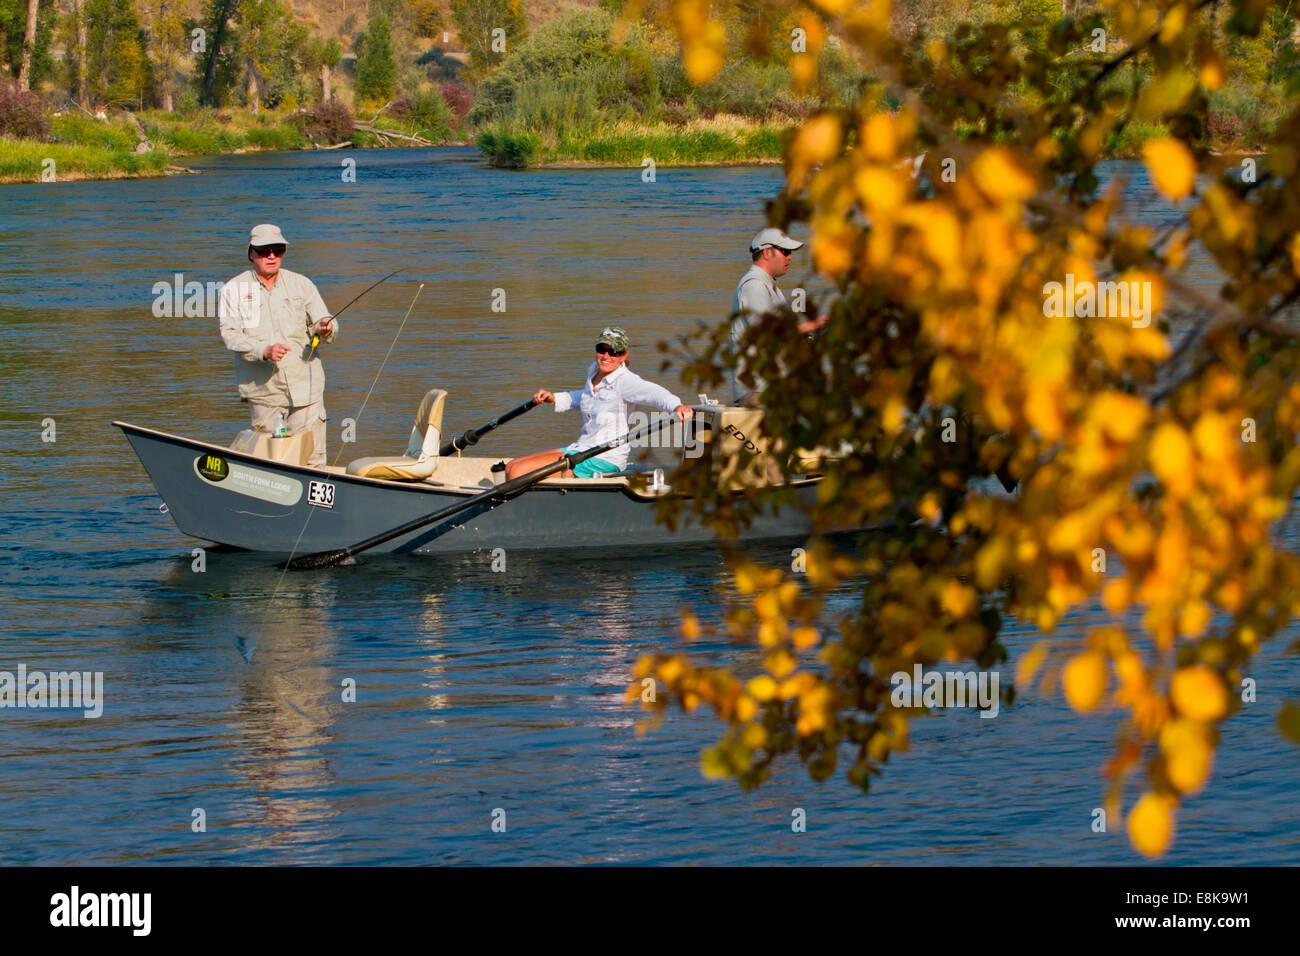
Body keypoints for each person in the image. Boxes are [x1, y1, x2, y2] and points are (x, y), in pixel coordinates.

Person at [505, 327, 694, 480]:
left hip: (604, 458)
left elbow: (654, 393)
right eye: (601, 350)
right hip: (580, 449)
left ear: (623, 355)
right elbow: (584, 398)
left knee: (518, 472)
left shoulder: (625, 382)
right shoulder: (594, 373)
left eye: (614, 352)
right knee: (512, 466)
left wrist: (677, 407)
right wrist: (553, 398)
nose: (606, 356)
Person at [218, 224, 336, 467]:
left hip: (307, 391)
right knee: (268, 466)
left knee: (312, 462)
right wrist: (264, 351)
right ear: (251, 253)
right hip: (264, 395)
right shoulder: (233, 290)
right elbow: (231, 336)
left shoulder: (302, 285)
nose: (271, 255)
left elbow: (325, 321)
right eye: (264, 250)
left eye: (278, 249)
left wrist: (326, 328)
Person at [731, 227, 827, 406]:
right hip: (758, 390)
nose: (790, 257)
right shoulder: (754, 286)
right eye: (785, 251)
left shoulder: (768, 285)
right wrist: (811, 326)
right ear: (767, 253)